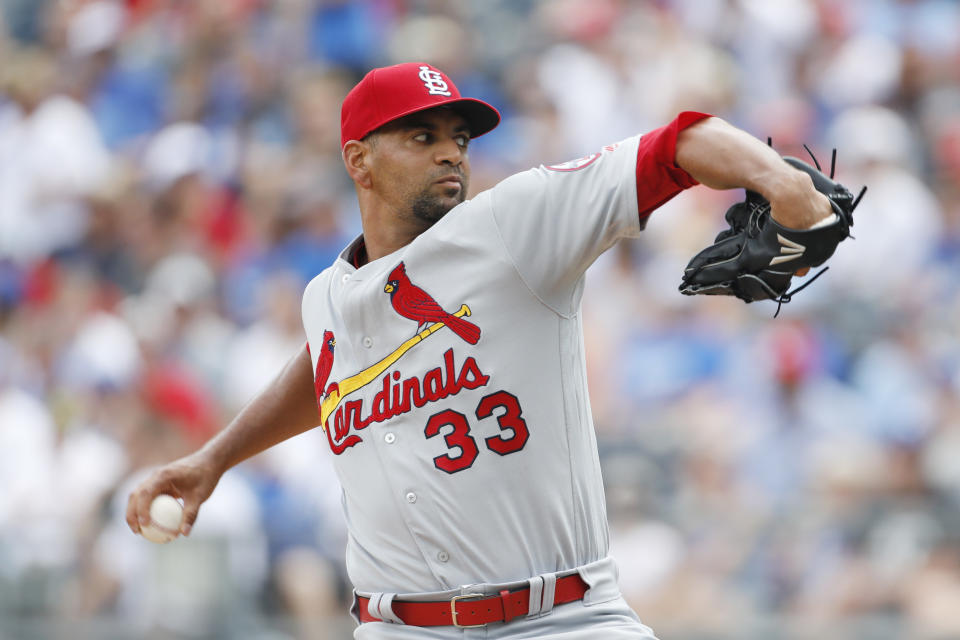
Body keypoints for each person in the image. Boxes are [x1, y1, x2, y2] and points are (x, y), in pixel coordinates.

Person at [127, 62, 833, 638]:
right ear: (359, 160)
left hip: (562, 619)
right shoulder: (327, 296)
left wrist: (784, 182)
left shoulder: (513, 226)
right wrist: (212, 460)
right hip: (396, 627)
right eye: (421, 134)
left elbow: (680, 140)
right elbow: (330, 367)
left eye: (459, 137)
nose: (449, 151)